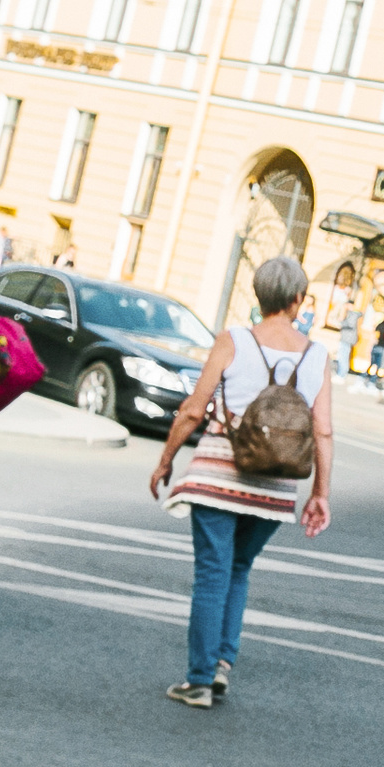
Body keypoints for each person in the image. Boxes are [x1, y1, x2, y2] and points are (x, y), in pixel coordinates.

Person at [149, 257, 334, 708]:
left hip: (218, 474)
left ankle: (198, 679)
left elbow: (194, 409)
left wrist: (166, 460)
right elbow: (323, 430)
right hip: (275, 488)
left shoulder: (234, 341)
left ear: (258, 296)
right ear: (298, 300)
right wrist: (320, 494)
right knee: (239, 569)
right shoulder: (317, 356)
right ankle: (221, 668)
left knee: (212, 574)